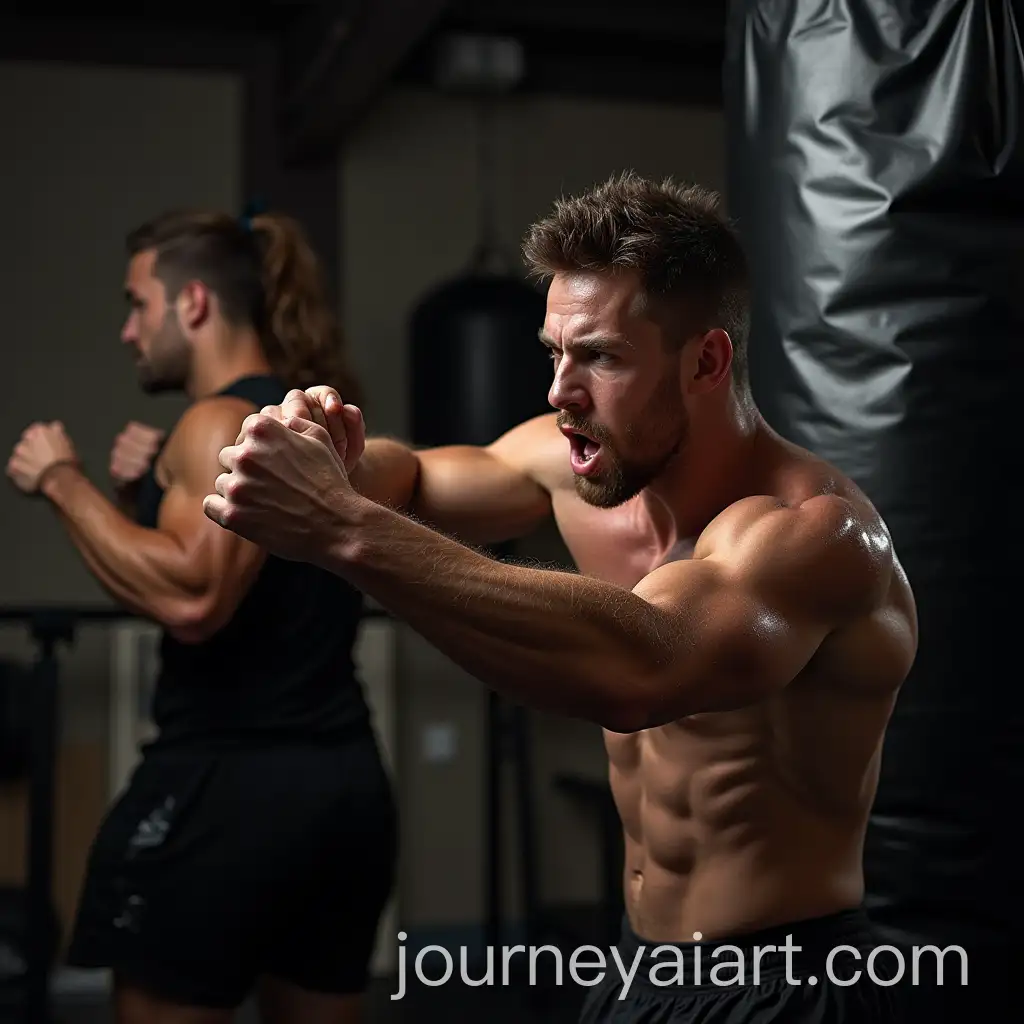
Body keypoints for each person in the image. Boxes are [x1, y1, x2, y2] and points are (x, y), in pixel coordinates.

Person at [203, 172, 919, 1022]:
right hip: (634, 966)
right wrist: (336, 456)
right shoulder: (578, 467)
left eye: (603, 357)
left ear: (706, 359)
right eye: (555, 352)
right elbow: (425, 476)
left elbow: (644, 667)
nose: (559, 393)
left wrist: (340, 526)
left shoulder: (816, 536)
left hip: (787, 982)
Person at [6, 209, 396, 1024]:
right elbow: (192, 583)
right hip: (339, 787)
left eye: (137, 304)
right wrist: (126, 500)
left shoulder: (218, 422)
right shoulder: (293, 421)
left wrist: (61, 480)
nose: (126, 330)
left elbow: (191, 599)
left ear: (193, 305)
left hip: (226, 788)